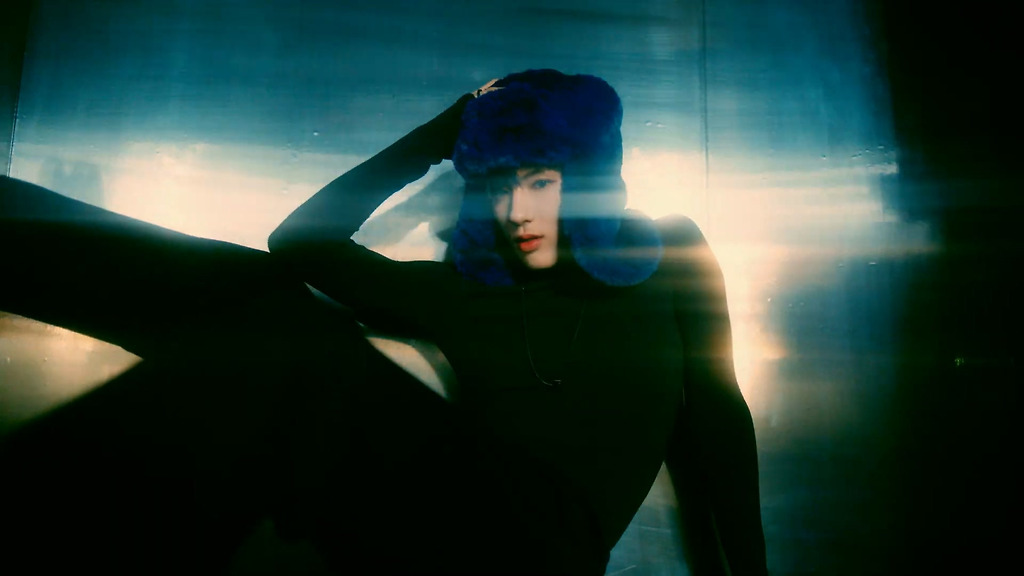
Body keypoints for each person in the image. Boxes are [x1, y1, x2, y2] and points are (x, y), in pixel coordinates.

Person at [0, 69, 766, 575]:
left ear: (590, 178)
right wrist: (441, 136)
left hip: (548, 548)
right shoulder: (459, 292)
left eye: (539, 181)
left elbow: (720, 420)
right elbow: (299, 245)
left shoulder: (670, 253)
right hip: (435, 537)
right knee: (259, 292)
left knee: (286, 337)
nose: (516, 211)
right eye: (497, 186)